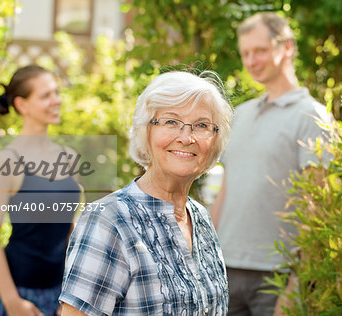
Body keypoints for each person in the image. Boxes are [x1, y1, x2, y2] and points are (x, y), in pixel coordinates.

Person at [59, 70, 233, 316]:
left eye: (202, 125)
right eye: (171, 121)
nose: (187, 137)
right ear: (146, 131)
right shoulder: (108, 221)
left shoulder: (202, 219)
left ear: (215, 141)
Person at [210, 12, 333, 316]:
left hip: (277, 275)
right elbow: (228, 189)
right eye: (245, 53)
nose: (251, 61)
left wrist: (297, 282)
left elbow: (317, 206)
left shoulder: (312, 116)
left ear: (287, 47)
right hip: (225, 268)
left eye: (260, 50)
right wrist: (205, 257)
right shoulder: (239, 114)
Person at [0, 65, 82, 316]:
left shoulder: (69, 158)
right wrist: (13, 303)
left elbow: (69, 231)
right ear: (22, 105)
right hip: (18, 294)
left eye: (56, 93)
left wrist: (72, 294)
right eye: (46, 95)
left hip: (60, 296)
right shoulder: (7, 161)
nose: (56, 100)